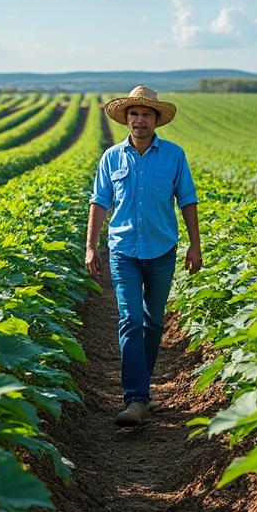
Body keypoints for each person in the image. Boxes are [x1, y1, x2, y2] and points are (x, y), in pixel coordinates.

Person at [86, 85, 201, 427]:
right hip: (123, 251)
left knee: (152, 323)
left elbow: (188, 200)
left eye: (146, 115)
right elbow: (99, 202)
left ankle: (142, 389)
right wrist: (91, 245)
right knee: (131, 320)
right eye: (134, 114)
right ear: (126, 119)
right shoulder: (111, 158)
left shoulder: (174, 156)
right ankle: (136, 398)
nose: (139, 120)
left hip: (162, 250)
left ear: (156, 120)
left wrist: (196, 245)